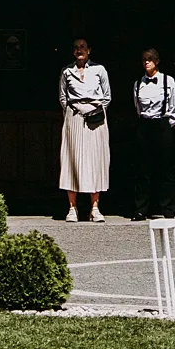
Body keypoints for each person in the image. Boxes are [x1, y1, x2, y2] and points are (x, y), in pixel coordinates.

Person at [59, 38, 111, 222]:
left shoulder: (99, 70)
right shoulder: (67, 71)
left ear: (89, 49)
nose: (79, 50)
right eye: (76, 48)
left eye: (83, 47)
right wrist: (76, 112)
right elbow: (63, 98)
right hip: (74, 116)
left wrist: (94, 111)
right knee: (71, 159)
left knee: (95, 159)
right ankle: (72, 207)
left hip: (95, 117)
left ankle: (95, 207)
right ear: (73, 52)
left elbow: (107, 97)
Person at [133, 48, 175, 218]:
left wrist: (166, 125)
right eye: (144, 59)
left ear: (157, 61)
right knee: (143, 169)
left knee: (165, 168)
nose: (146, 62)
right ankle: (141, 208)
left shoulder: (167, 81)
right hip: (145, 124)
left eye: (150, 59)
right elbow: (138, 107)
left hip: (162, 125)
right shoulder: (138, 83)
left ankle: (168, 209)